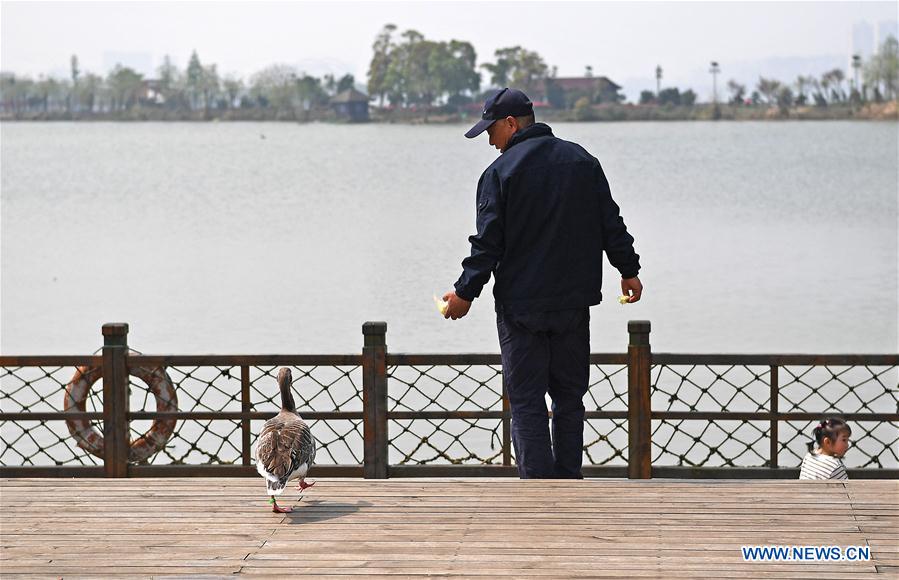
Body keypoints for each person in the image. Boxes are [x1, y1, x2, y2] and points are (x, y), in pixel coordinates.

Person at [442, 87, 643, 479]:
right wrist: (628, 269)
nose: (489, 140)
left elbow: (488, 243)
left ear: (511, 123)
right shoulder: (583, 161)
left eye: (490, 130)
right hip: (573, 305)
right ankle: (568, 479)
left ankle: (538, 489)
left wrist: (465, 293)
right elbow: (610, 224)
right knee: (570, 398)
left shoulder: (499, 173)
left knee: (527, 400)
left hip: (521, 309)